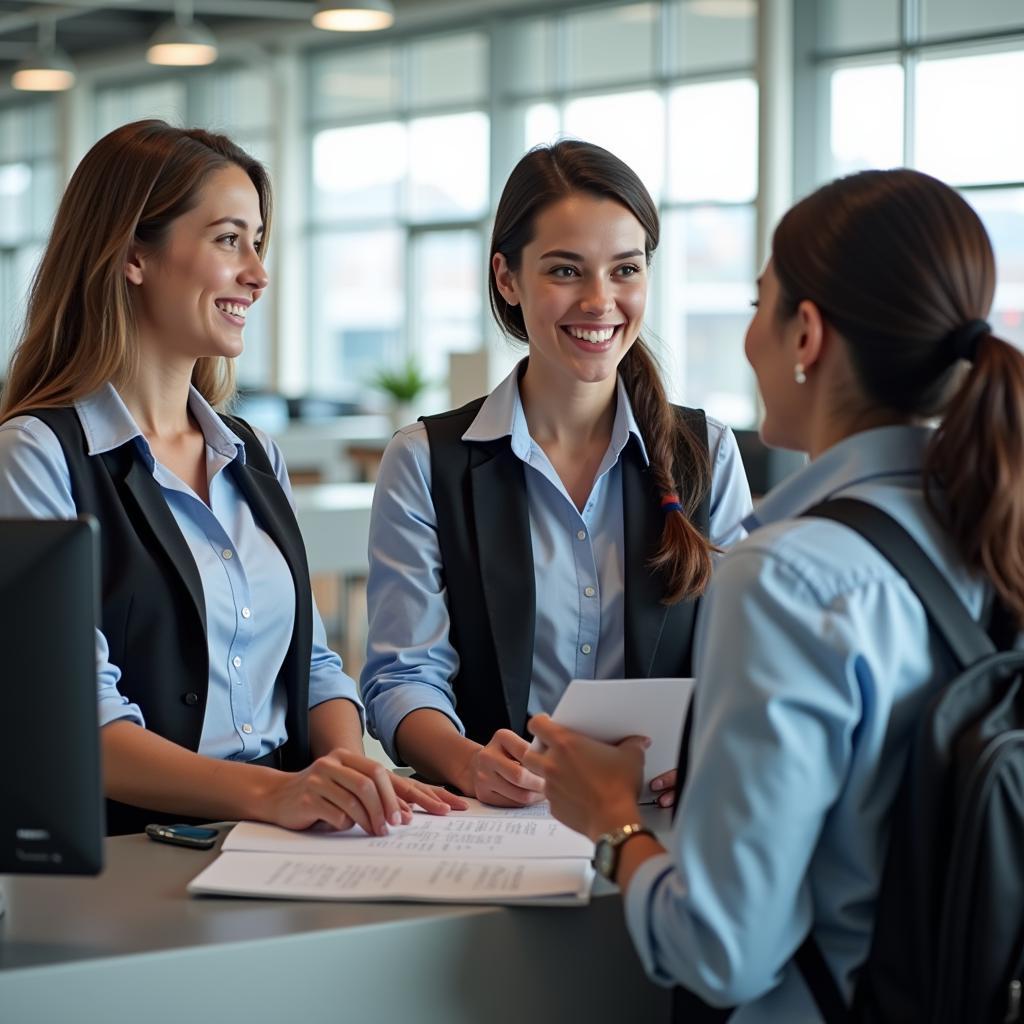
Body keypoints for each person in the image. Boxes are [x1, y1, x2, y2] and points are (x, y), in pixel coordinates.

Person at [524, 167, 1024, 1019]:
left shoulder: (787, 578)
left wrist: (613, 821)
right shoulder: (994, 528)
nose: (750, 335)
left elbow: (723, 951)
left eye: (761, 304)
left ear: (807, 337)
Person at [0, 120, 464, 837]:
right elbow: (74, 719)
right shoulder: (37, 457)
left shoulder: (252, 453)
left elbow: (311, 662)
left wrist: (348, 769)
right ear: (132, 255)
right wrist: (268, 794)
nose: (258, 271)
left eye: (258, 241)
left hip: (286, 838)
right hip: (135, 855)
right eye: (227, 240)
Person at [361, 140, 752, 807]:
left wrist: (710, 749)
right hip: (488, 825)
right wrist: (469, 762)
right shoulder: (428, 461)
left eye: (625, 270)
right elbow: (403, 676)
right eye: (566, 271)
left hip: (662, 824)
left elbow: (746, 659)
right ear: (508, 279)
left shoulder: (705, 453)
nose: (600, 301)